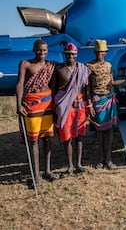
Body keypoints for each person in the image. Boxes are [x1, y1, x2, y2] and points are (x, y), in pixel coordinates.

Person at [86, 39, 126, 169]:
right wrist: (89, 103)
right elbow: (87, 87)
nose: (99, 54)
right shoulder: (89, 66)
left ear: (105, 53)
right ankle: (102, 159)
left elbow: (112, 82)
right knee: (100, 130)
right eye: (98, 52)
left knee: (109, 130)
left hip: (109, 99)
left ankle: (108, 159)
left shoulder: (108, 66)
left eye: (102, 52)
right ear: (94, 52)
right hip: (97, 100)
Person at [16, 39, 58, 184]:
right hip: (31, 105)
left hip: (47, 104)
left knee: (47, 137)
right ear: (34, 50)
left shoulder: (51, 65)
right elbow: (20, 84)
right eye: (40, 50)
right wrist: (18, 105)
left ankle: (47, 171)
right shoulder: (25, 64)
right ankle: (36, 175)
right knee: (33, 140)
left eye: (45, 50)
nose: (42, 53)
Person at [51, 43, 90, 176]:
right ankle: (70, 166)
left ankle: (78, 164)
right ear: (64, 54)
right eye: (68, 54)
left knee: (79, 136)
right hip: (64, 107)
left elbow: (86, 89)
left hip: (79, 106)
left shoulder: (82, 69)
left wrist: (88, 104)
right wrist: (55, 109)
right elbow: (54, 90)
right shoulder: (59, 69)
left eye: (73, 54)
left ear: (76, 55)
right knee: (67, 137)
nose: (70, 56)